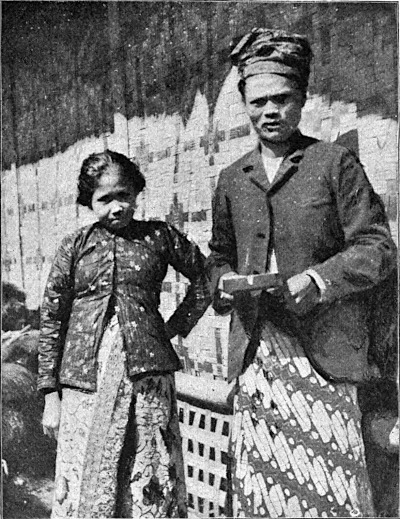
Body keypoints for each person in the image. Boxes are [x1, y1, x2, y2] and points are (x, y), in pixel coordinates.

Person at [207, 28, 397, 518]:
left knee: (328, 491)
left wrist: (317, 281)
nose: (271, 111)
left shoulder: (334, 164)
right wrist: (222, 284)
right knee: (265, 492)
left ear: (302, 98)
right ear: (244, 104)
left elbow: (377, 247)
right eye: (258, 102)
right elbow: (218, 255)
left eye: (283, 99)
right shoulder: (232, 180)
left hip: (324, 353)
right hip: (259, 356)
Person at [38, 150, 211, 518]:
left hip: (148, 380)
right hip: (85, 382)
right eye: (105, 199)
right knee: (85, 479)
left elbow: (207, 276)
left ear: (136, 193)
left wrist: (174, 327)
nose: (117, 207)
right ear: (89, 202)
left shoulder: (159, 236)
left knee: (149, 474)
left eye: (124, 195)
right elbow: (52, 318)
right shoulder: (75, 246)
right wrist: (50, 394)